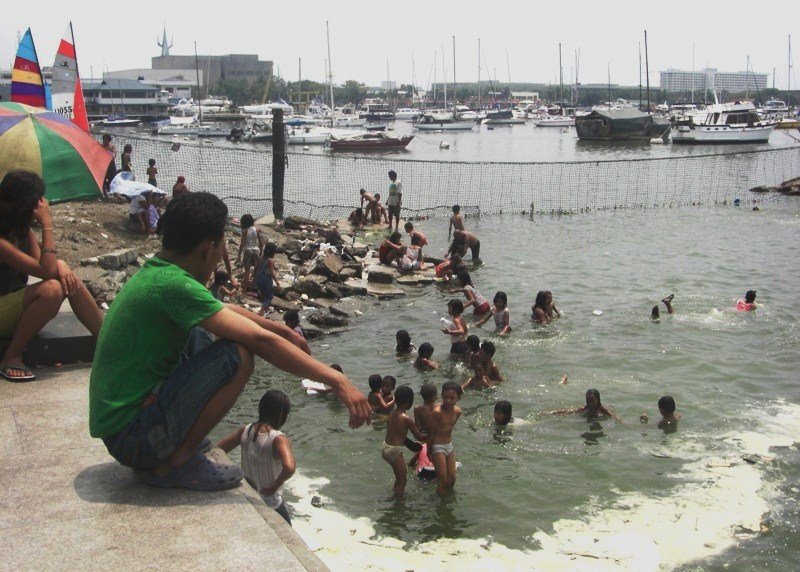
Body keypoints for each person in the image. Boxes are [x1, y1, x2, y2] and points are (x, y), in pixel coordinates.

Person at [89, 192, 370, 491]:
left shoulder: (159, 273)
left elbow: (220, 310)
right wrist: (337, 380)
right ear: (208, 248)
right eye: (223, 243)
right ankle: (176, 462)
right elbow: (260, 342)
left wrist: (283, 330)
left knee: (199, 333)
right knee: (238, 355)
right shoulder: (174, 285)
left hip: (123, 433)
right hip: (135, 440)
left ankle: (177, 443)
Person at [0, 171, 103, 381]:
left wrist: (61, 264)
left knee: (65, 279)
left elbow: (44, 264)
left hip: (7, 306)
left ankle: (107, 341)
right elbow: (46, 271)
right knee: (52, 290)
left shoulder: (20, 228)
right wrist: (47, 225)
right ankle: (12, 356)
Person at [217, 390, 296, 524]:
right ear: (281, 414)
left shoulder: (245, 430)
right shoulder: (278, 438)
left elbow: (218, 449)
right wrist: (275, 485)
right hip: (270, 502)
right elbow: (289, 467)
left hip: (249, 497)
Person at [382, 385, 427, 497]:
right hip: (394, 451)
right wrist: (433, 434)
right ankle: (398, 503)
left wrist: (410, 444)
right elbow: (420, 437)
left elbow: (396, 434)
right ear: (408, 402)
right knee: (403, 480)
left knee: (399, 477)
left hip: (385, 447)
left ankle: (394, 493)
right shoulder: (406, 419)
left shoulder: (391, 415)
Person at [428, 381, 463, 495]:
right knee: (442, 481)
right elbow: (431, 434)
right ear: (441, 395)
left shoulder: (457, 412)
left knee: (452, 480)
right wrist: (429, 451)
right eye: (446, 397)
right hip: (437, 447)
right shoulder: (437, 413)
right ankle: (439, 504)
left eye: (452, 398)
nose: (448, 400)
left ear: (458, 398)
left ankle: (448, 500)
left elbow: (449, 428)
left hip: (449, 446)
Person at [546, 389, 623, 423]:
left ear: (598, 400)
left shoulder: (602, 409)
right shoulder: (585, 408)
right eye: (588, 400)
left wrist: (625, 424)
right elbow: (568, 411)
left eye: (592, 400)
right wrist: (551, 413)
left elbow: (615, 417)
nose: (590, 403)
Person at [237, 214, 264, 290]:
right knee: (256, 271)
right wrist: (261, 252)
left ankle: (245, 290)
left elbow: (242, 244)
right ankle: (254, 287)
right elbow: (261, 243)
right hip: (256, 250)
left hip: (248, 251)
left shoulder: (245, 231)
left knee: (247, 271)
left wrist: (239, 255)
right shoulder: (257, 230)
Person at [255, 243, 280, 315]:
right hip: (266, 279)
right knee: (269, 296)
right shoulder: (270, 260)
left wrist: (254, 277)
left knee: (264, 295)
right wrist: (278, 283)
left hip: (259, 278)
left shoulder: (262, 257)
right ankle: (261, 311)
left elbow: (256, 268)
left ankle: (265, 308)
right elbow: (272, 273)